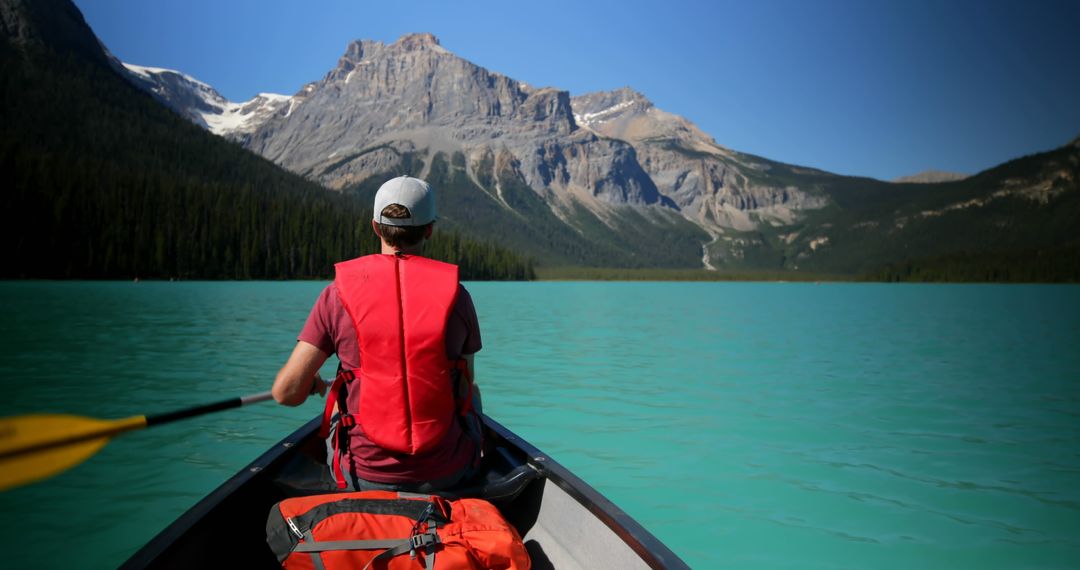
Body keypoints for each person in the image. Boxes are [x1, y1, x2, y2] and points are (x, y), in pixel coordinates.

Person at [271, 175, 483, 492]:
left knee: (339, 405)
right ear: (429, 230)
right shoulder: (458, 296)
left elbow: (286, 393)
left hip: (360, 475)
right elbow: (464, 388)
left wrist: (316, 385)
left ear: (374, 226)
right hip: (446, 472)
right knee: (474, 394)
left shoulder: (336, 296)